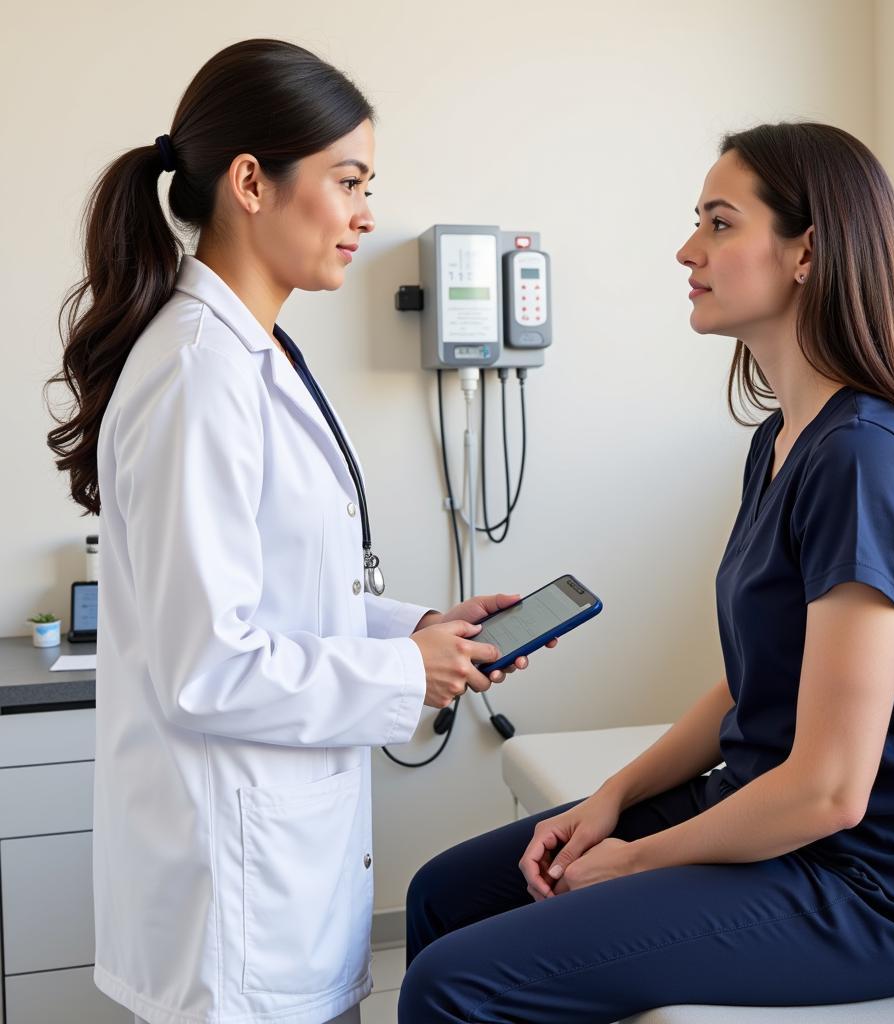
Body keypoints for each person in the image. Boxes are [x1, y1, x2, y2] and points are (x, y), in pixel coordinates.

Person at [399, 122, 894, 1022]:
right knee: (443, 895)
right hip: (766, 816)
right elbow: (749, 684)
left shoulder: (866, 459)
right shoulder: (782, 441)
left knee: (452, 984)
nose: (689, 249)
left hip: (869, 885)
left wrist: (639, 859)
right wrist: (611, 800)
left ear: (807, 250)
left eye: (720, 224)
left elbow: (832, 790)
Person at [45, 38, 550, 1024]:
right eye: (347, 180)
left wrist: (423, 631)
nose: (365, 212)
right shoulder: (200, 372)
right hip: (235, 904)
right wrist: (411, 673)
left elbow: (285, 594)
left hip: (279, 878)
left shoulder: (252, 351)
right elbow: (209, 666)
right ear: (250, 182)